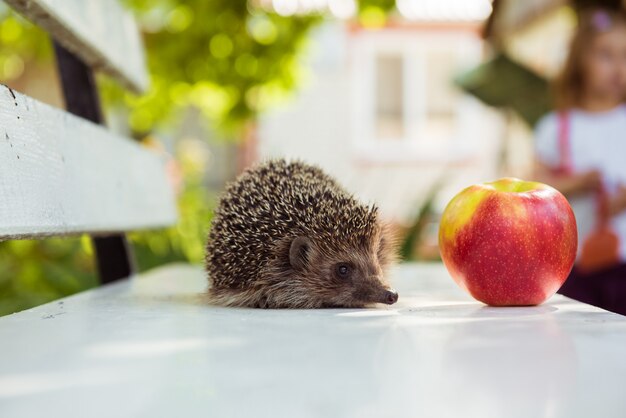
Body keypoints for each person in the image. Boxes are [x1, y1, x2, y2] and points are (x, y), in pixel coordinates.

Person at [534, 8, 626, 315]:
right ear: (579, 62)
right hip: (575, 267)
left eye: (625, 55)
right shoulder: (556, 127)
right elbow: (536, 190)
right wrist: (581, 183)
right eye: (605, 55)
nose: (618, 66)